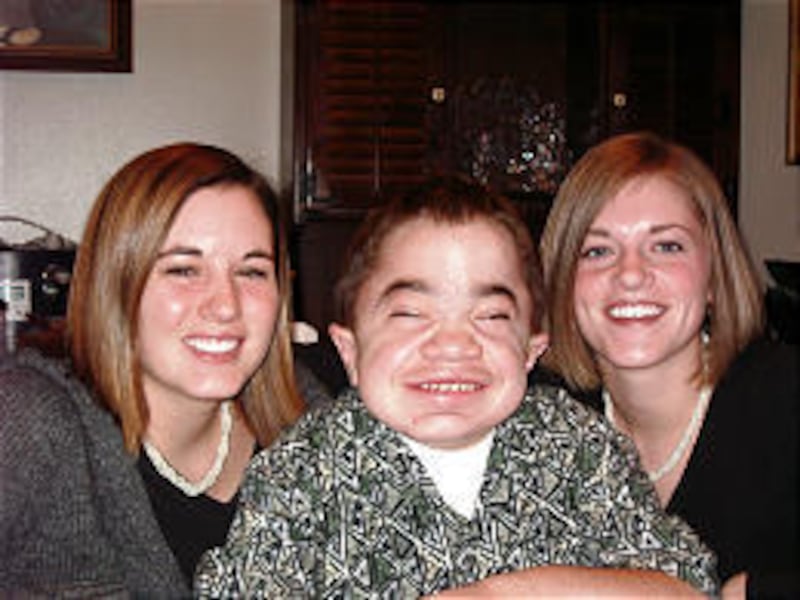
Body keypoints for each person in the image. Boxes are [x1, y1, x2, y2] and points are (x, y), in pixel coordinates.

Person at [195, 176, 718, 597]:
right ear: (350, 353)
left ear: (531, 350)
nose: (452, 344)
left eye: (490, 316)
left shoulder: (581, 450)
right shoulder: (298, 476)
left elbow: (685, 587)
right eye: (409, 313)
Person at [0, 142, 312, 595]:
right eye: (184, 270)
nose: (226, 306)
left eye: (252, 272)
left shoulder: (314, 415)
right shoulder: (29, 419)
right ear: (117, 282)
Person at [537, 131, 799, 598]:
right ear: (562, 281)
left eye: (667, 246)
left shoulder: (785, 400)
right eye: (597, 250)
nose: (631, 273)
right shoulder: (540, 418)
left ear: (715, 276)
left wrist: (753, 592)